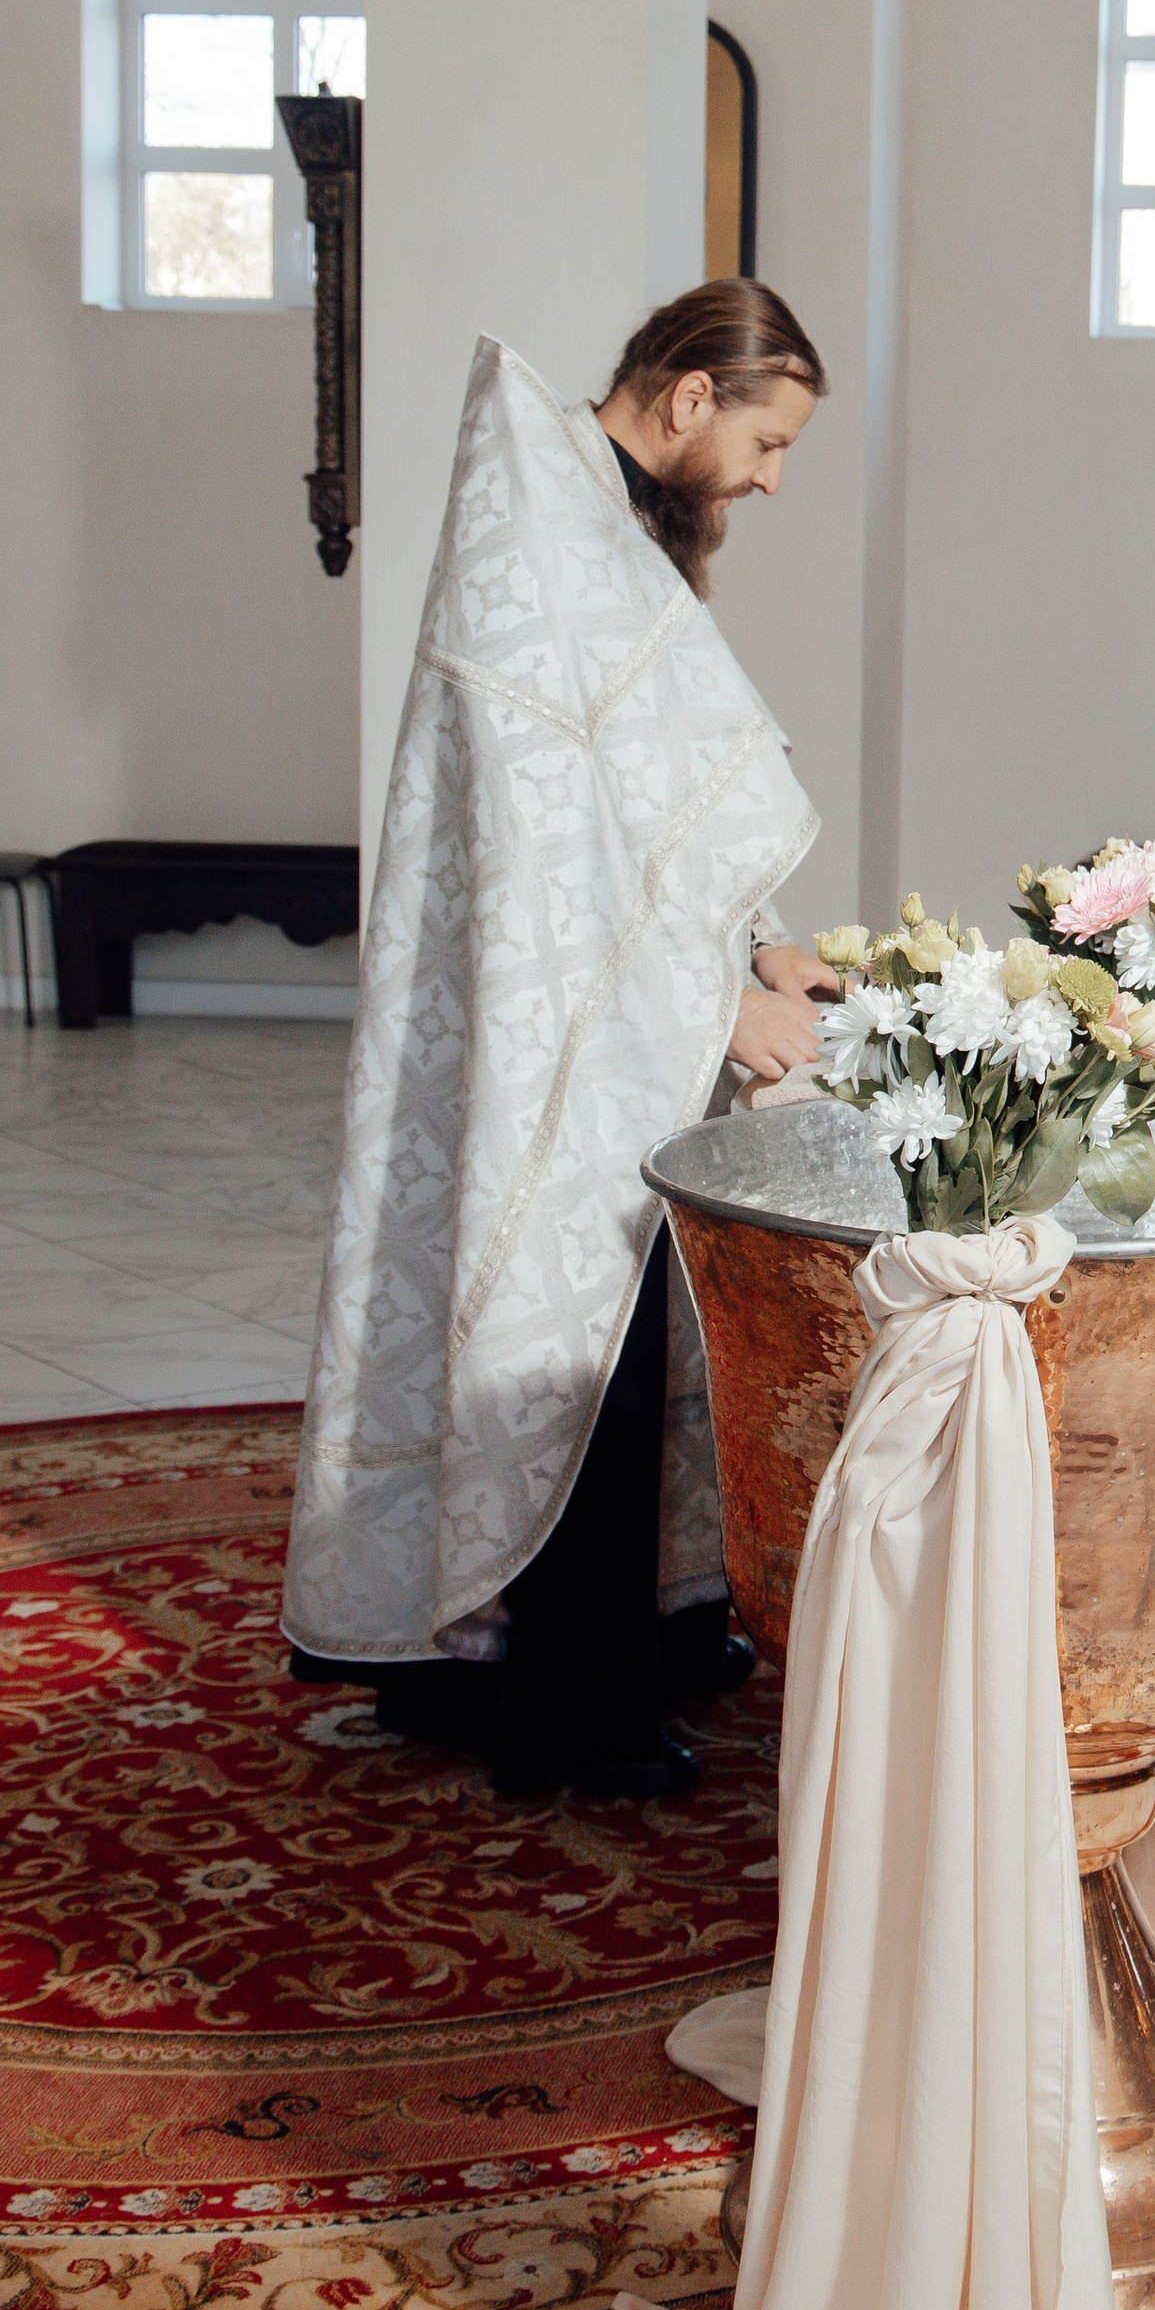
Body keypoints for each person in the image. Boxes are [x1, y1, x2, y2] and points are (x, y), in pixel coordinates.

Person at [284, 281, 836, 1805]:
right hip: (556, 1025)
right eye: (768, 442)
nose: (772, 479)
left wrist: (751, 935)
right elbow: (549, 856)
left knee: (643, 1307)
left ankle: (645, 1629)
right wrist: (714, 1000)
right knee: (567, 1322)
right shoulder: (540, 536)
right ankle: (557, 1692)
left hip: (616, 1009)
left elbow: (637, 815)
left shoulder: (599, 521)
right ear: (686, 400)